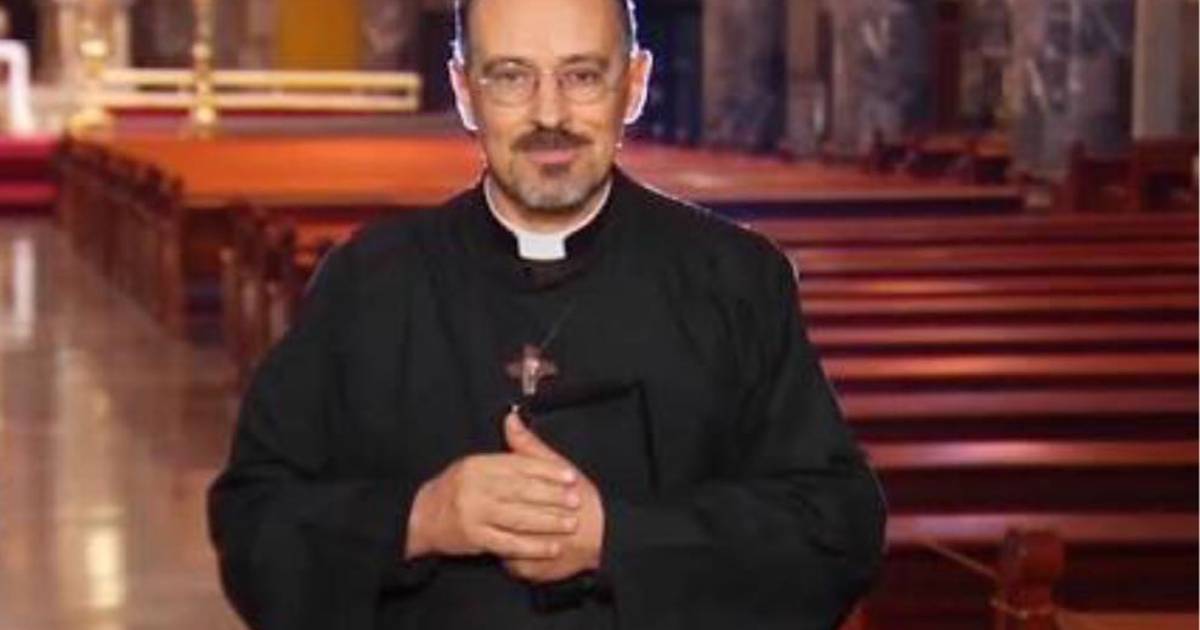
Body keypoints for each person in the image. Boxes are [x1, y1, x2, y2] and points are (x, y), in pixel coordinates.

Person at [207, 0, 886, 628]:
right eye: (511, 77)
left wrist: (616, 537)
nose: (549, 114)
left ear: (635, 84)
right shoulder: (368, 283)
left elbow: (836, 528)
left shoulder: (735, 279)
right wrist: (420, 518)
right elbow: (253, 521)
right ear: (465, 91)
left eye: (582, 75)